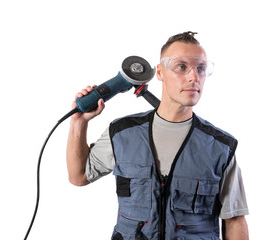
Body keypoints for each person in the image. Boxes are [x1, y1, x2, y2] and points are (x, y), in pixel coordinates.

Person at [66, 31, 249, 240]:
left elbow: (234, 220)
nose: (193, 77)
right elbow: (78, 176)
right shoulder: (123, 133)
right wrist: (79, 123)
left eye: (201, 68)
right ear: (159, 73)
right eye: (181, 67)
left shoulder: (220, 147)